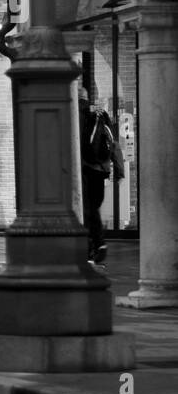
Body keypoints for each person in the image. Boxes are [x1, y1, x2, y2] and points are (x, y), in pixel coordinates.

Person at [78, 88, 123, 264]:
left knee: (87, 210)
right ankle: (95, 245)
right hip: (101, 169)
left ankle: (95, 245)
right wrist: (118, 170)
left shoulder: (75, 114)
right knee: (93, 208)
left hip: (84, 168)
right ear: (87, 98)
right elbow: (114, 144)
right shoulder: (99, 113)